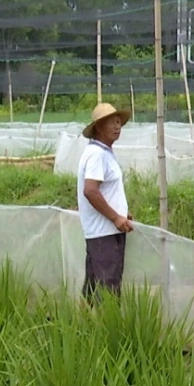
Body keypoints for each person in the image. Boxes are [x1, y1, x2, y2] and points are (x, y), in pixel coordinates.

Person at [77, 102, 134, 302]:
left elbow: (105, 190)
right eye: (111, 122)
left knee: (92, 288)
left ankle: (84, 330)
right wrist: (115, 217)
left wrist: (121, 212)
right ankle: (108, 330)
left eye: (118, 122)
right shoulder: (97, 154)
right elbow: (91, 191)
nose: (117, 126)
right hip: (104, 233)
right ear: (99, 127)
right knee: (109, 289)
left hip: (105, 231)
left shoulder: (104, 152)